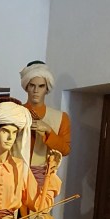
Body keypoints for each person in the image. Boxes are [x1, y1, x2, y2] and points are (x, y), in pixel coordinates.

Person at [19, 60, 70, 189]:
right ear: (26, 87)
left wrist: (48, 130)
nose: (36, 90)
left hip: (42, 177)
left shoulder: (60, 117)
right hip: (15, 172)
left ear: (47, 88)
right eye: (32, 85)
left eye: (41, 86)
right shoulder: (14, 112)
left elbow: (65, 150)